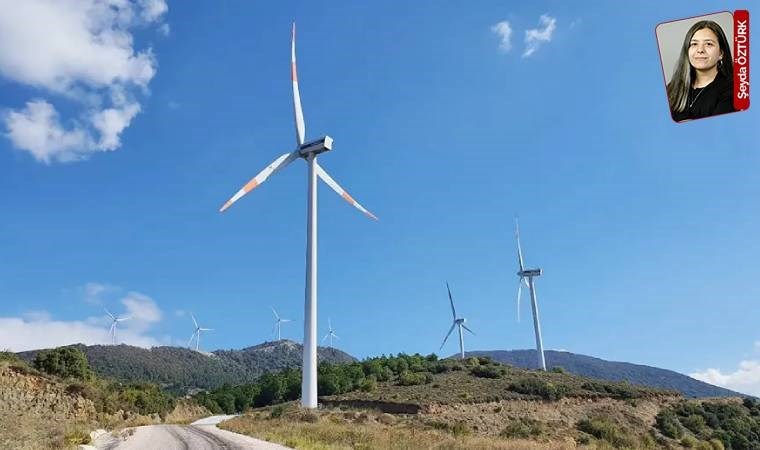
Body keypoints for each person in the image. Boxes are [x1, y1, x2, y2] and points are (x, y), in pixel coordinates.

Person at [666, 20, 735, 122]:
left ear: (721, 53)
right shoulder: (672, 87)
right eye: (694, 44)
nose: (700, 50)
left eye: (708, 44)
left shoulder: (732, 90)